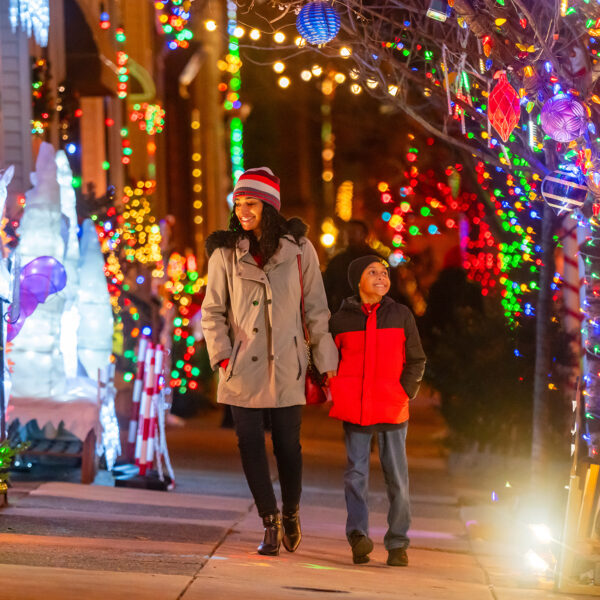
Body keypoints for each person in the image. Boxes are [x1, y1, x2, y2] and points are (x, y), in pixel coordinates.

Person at [201, 167, 338, 556]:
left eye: (252, 203)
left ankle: (291, 510)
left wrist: (326, 362)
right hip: (242, 365)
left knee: (288, 447)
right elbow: (211, 311)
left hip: (287, 363)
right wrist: (223, 356)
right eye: (239, 203)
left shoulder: (300, 250)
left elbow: (316, 309)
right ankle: (269, 520)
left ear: (270, 206)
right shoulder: (225, 254)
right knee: (248, 443)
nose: (243, 210)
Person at [328, 255, 426, 567]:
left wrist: (404, 391)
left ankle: (398, 542)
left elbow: (416, 359)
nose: (381, 277)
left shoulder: (401, 314)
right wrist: (336, 387)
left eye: (384, 273)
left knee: (396, 475)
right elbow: (328, 360)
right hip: (354, 406)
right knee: (355, 474)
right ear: (358, 281)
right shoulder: (340, 320)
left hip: (391, 405)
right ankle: (358, 536)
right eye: (373, 273)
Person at [323, 220, 408, 313]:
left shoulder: (378, 261)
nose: (351, 236)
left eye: (354, 232)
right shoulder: (337, 261)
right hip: (345, 314)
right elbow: (327, 289)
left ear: (364, 235)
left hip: (373, 315)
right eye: (348, 232)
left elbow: (391, 290)